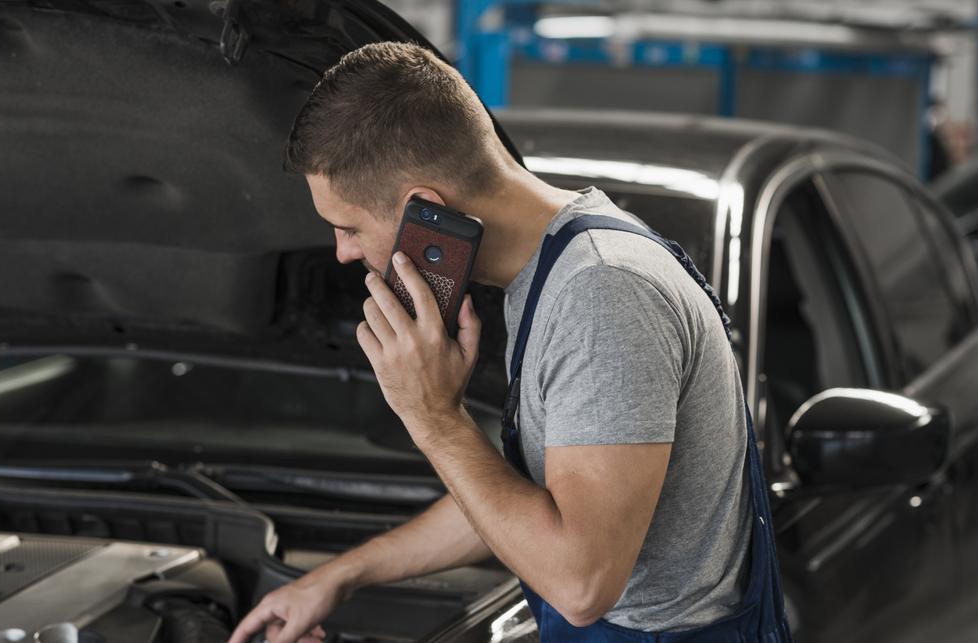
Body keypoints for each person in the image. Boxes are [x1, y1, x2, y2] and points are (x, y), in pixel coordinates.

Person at [227, 41, 791, 643]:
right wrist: (340, 577)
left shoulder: (603, 293)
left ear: (424, 210)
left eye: (349, 227)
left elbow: (581, 583)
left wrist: (433, 417)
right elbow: (527, 505)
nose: (341, 252)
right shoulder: (556, 271)